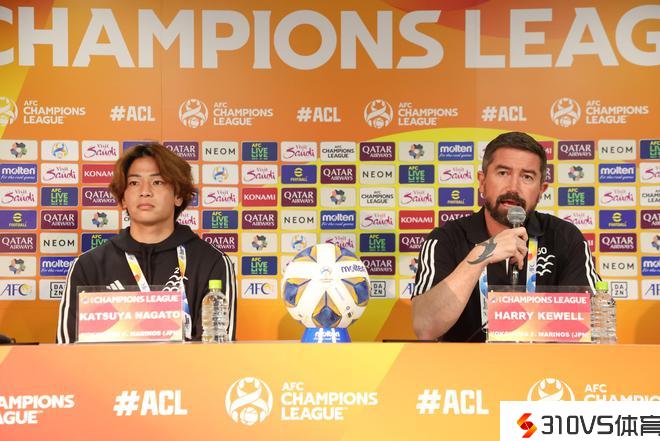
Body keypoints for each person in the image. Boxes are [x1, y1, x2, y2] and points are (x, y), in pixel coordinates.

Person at [412, 131, 600, 342]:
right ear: (482, 181)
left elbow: (592, 325)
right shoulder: (446, 239)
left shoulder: (565, 238)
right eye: (503, 173)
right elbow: (425, 326)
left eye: (527, 177)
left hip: (544, 362)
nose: (513, 187)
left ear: (541, 190)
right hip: (467, 363)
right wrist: (481, 255)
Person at [57, 143, 237, 343]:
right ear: (123, 198)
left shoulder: (211, 262)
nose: (145, 191)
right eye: (134, 183)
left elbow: (218, 350)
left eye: (157, 182)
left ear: (178, 195)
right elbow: (68, 351)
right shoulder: (88, 267)